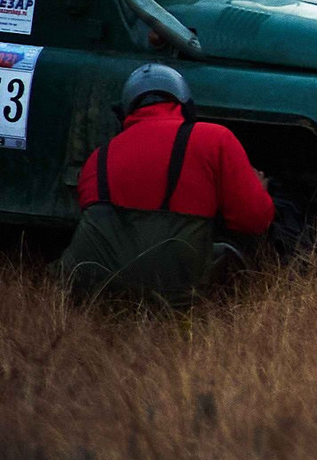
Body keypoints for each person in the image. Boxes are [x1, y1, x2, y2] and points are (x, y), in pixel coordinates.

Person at [58, 63, 275, 303]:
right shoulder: (215, 139)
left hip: (94, 291)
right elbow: (255, 220)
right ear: (186, 104)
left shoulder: (97, 158)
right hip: (175, 292)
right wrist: (259, 190)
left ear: (126, 111)